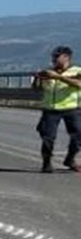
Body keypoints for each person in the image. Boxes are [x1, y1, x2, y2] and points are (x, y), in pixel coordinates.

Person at [31, 45, 81, 173]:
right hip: (50, 109)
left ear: (66, 57)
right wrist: (37, 79)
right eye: (53, 57)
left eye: (57, 57)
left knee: (78, 136)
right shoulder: (48, 71)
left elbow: (79, 84)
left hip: (71, 108)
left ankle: (70, 159)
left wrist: (59, 77)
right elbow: (37, 89)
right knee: (48, 137)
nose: (54, 59)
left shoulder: (77, 71)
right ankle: (46, 162)